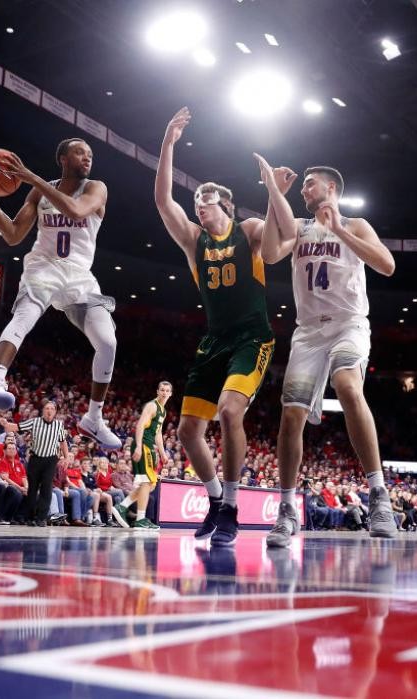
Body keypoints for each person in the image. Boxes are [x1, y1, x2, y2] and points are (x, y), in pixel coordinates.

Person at [255, 156, 398, 547]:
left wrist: (340, 231)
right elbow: (268, 254)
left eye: (309, 184)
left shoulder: (356, 225)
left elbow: (387, 265)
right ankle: (286, 511)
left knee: (349, 387)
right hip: (307, 334)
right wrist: (273, 193)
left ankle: (379, 496)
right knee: (290, 416)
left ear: (331, 188)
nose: (303, 189)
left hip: (348, 325)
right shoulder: (299, 227)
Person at [154, 107, 276, 547]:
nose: (197, 209)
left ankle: (232, 509)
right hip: (214, 340)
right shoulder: (194, 241)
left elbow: (279, 235)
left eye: (203, 203)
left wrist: (273, 192)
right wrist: (168, 143)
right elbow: (163, 202)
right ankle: (213, 500)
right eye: (196, 205)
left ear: (222, 204)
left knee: (228, 412)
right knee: (187, 431)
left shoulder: (249, 230)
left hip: (252, 338)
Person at [0, 138, 120, 449]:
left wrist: (33, 178)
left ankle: (93, 417)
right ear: (63, 158)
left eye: (90, 154)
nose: (87, 158)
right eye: (80, 152)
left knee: (108, 341)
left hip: (80, 277)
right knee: (26, 314)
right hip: (44, 268)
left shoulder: (96, 188)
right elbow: (13, 235)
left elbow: (77, 211)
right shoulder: (39, 190)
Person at [0, 401, 69, 527]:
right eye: (47, 408)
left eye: (52, 409)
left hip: (50, 460)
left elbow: (62, 442)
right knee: (32, 489)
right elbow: (16, 427)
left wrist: (66, 457)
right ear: (43, 411)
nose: (49, 411)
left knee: (46, 488)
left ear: (55, 412)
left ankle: (41, 518)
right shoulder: (34, 422)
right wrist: (6, 424)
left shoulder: (59, 425)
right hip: (35, 459)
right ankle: (30, 517)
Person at [115, 382, 172, 530]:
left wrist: (163, 452)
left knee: (150, 485)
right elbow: (140, 425)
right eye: (162, 390)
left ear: (170, 394)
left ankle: (122, 507)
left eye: (167, 391)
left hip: (149, 446)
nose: (164, 393)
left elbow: (158, 433)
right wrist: (139, 446)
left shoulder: (163, 411)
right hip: (143, 445)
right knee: (147, 482)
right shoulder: (152, 406)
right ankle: (140, 519)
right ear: (157, 391)